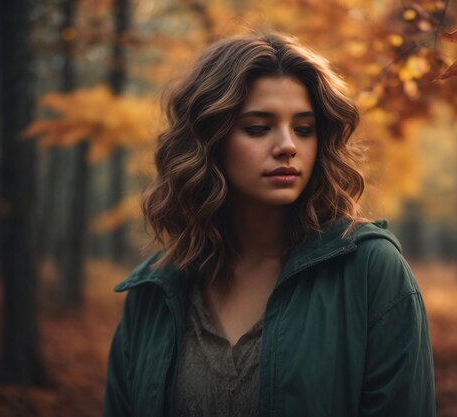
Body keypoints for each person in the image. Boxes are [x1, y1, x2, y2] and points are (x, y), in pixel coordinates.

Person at [103, 31, 435, 417]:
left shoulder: (370, 272)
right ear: (209, 140)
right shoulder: (154, 293)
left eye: (304, 129)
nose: (287, 145)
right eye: (259, 128)